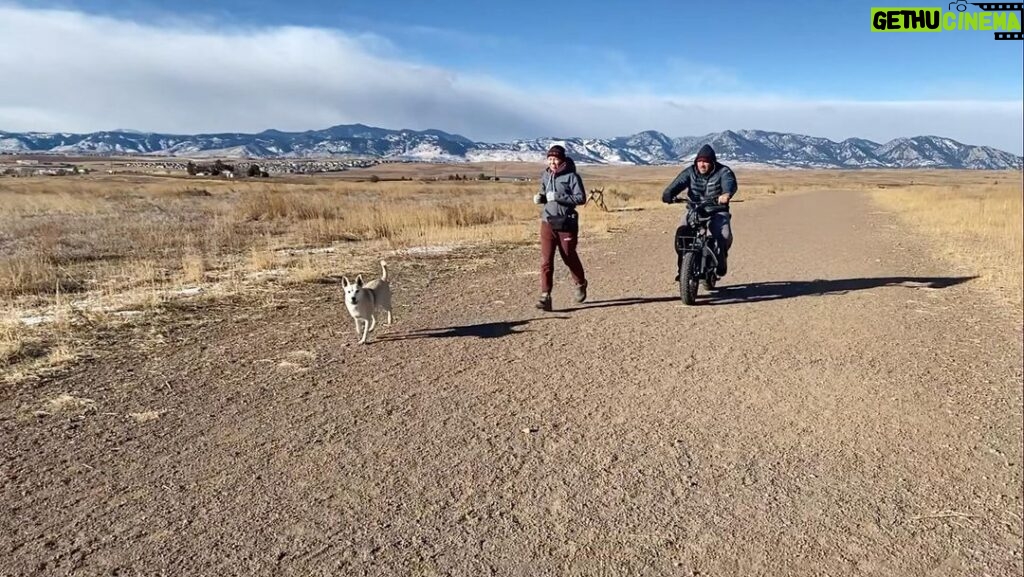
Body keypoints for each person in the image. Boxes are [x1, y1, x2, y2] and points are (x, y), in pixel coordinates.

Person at [661, 144, 737, 280]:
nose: (702, 165)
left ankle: (721, 259)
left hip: (717, 210)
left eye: (706, 161)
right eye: (700, 161)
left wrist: (726, 194)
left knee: (724, 235)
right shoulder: (690, 172)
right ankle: (683, 269)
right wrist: (668, 194)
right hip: (694, 209)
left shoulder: (723, 171)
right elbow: (677, 183)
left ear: (712, 162)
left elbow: (729, 183)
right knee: (682, 234)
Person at [533, 144, 588, 311]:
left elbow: (580, 198)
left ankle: (580, 283)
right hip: (547, 221)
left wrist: (558, 196)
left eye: (555, 159)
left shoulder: (572, 177)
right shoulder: (545, 175)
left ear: (562, 160)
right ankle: (545, 296)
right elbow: (544, 193)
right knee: (546, 260)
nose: (552, 162)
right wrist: (540, 198)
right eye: (550, 159)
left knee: (568, 256)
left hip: (566, 222)